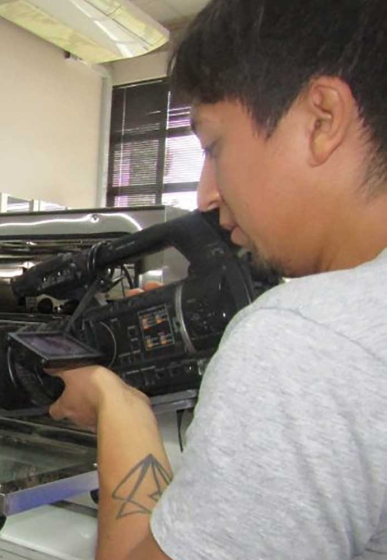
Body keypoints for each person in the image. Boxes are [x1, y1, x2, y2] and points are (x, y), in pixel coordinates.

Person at [46, 1, 387, 559]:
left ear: (322, 120)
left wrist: (118, 405)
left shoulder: (302, 340)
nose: (206, 195)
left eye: (212, 146)